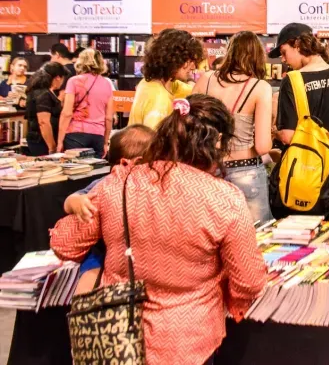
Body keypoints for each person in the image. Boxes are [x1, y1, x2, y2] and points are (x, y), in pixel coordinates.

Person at [50, 95, 266, 365]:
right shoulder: (224, 198)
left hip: (116, 334)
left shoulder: (120, 182)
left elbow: (65, 243)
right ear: (218, 142)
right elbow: (248, 281)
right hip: (188, 341)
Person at [269, 23, 329, 219]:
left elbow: (288, 136)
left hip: (300, 178)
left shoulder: (292, 81)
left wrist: (274, 132)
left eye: (284, 52)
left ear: (298, 45)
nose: (283, 60)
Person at [63, 124, 156, 294]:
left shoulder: (154, 185)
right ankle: (85, 308)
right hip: (103, 251)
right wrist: (76, 202)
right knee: (90, 278)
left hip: (138, 251)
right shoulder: (104, 183)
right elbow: (70, 200)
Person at [193, 31, 274, 223]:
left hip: (208, 168)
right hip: (246, 170)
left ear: (229, 52)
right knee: (257, 238)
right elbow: (263, 147)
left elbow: (189, 123)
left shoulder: (206, 79)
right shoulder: (259, 88)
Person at [129, 29, 203, 129]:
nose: (194, 67)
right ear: (174, 59)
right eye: (190, 61)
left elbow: (191, 90)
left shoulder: (152, 83)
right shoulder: (158, 100)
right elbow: (154, 141)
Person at [57, 49, 114, 157]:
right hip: (98, 135)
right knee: (97, 172)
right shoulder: (107, 84)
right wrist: (105, 142)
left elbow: (67, 113)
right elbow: (109, 117)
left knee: (76, 171)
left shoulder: (73, 81)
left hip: (76, 133)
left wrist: (60, 141)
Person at [23, 63, 66, 156]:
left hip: (37, 138)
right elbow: (43, 122)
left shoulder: (38, 91)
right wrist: (52, 146)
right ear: (58, 77)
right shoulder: (44, 94)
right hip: (42, 141)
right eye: (63, 79)